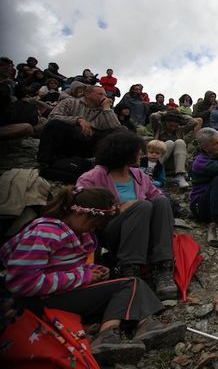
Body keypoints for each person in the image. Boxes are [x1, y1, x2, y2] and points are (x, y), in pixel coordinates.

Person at [0, 186, 185, 365]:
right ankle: (109, 334)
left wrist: (90, 271)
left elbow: (61, 269)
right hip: (38, 302)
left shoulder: (76, 233)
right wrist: (83, 277)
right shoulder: (44, 233)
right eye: (93, 224)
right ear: (79, 213)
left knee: (126, 284)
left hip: (57, 295)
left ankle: (145, 324)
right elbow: (22, 283)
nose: (92, 229)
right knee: (129, 284)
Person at [77, 131, 179, 299]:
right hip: (110, 234)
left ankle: (163, 267)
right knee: (143, 206)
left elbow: (156, 195)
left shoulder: (138, 175)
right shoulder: (93, 177)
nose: (142, 153)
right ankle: (129, 269)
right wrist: (120, 210)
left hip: (141, 234)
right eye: (137, 150)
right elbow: (82, 208)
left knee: (161, 202)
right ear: (124, 153)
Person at [37, 85, 121, 167]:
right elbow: (52, 117)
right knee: (55, 124)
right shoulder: (70, 102)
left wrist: (107, 109)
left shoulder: (104, 111)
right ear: (87, 94)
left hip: (88, 143)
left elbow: (117, 129)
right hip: (68, 139)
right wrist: (78, 120)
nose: (104, 97)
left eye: (105, 95)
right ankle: (45, 163)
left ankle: (106, 167)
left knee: (120, 132)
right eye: (100, 94)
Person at [150, 110, 199, 188]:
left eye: (175, 126)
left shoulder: (180, 130)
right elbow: (154, 116)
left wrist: (179, 115)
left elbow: (193, 122)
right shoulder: (159, 128)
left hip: (175, 162)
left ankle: (180, 175)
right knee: (170, 143)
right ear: (165, 123)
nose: (173, 128)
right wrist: (165, 113)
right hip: (160, 161)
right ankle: (152, 169)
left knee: (180, 142)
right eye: (170, 125)